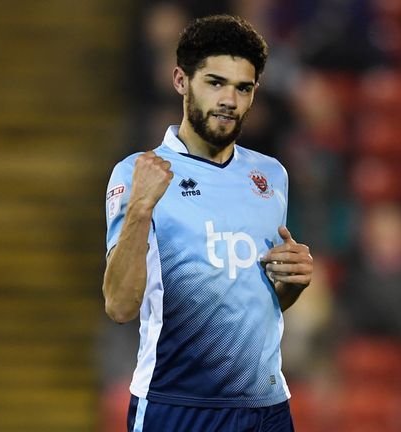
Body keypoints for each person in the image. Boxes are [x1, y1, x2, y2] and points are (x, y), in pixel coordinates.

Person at [102, 15, 313, 432]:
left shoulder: (271, 176)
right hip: (176, 405)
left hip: (266, 406)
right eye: (215, 83)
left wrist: (289, 285)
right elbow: (120, 307)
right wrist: (141, 210)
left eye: (243, 88)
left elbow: (255, 299)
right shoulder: (137, 173)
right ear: (181, 81)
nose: (229, 101)